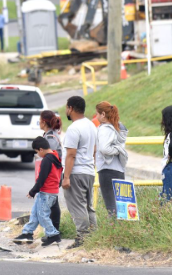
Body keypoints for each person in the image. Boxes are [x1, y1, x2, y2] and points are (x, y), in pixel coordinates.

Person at [13, 136, 63, 247]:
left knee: (42, 216)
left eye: (37, 152)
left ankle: (53, 234)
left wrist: (33, 191)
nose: (38, 154)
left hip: (46, 192)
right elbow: (59, 176)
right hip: (52, 192)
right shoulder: (57, 157)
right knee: (35, 214)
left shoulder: (47, 160)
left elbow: (42, 178)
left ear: (41, 149)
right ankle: (27, 233)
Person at [62, 96, 97, 247]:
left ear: (70, 108)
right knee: (88, 206)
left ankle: (82, 238)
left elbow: (71, 154)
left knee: (77, 206)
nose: (66, 111)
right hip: (89, 171)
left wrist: (66, 177)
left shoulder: (74, 128)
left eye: (66, 108)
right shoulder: (91, 125)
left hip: (76, 172)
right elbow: (94, 150)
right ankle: (94, 236)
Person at [95, 101, 129, 217]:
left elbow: (104, 149)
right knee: (121, 205)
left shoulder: (105, 129)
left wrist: (117, 150)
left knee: (111, 206)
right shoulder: (117, 128)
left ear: (103, 114)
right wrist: (119, 149)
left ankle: (115, 231)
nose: (96, 117)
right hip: (119, 169)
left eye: (97, 114)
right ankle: (124, 229)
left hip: (107, 169)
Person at [39, 110, 63, 232]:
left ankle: (54, 231)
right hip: (53, 173)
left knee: (52, 203)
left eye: (39, 120)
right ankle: (53, 231)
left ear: (43, 122)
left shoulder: (50, 137)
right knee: (53, 202)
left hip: (53, 173)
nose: (38, 122)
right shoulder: (49, 134)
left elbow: (51, 157)